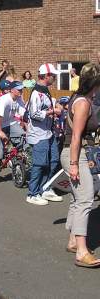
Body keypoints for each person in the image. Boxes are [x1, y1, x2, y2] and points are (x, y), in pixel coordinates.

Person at [61, 62, 100, 268]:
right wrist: (75, 164)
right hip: (76, 153)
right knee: (85, 199)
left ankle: (73, 242)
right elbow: (76, 136)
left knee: (77, 198)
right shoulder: (83, 103)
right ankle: (82, 252)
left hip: (75, 152)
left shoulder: (78, 97)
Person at [26, 63, 63, 205]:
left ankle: (45, 188)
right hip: (38, 134)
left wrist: (53, 110)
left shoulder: (45, 91)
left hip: (48, 132)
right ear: (46, 76)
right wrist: (52, 112)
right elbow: (33, 113)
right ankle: (32, 193)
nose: (54, 78)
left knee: (53, 160)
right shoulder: (36, 92)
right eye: (52, 76)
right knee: (40, 163)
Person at [0, 81, 26, 179]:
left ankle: (18, 156)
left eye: (22, 89)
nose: (21, 91)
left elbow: (23, 114)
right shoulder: (4, 100)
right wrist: (0, 131)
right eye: (19, 89)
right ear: (12, 90)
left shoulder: (19, 99)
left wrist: (27, 129)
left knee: (22, 135)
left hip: (9, 121)